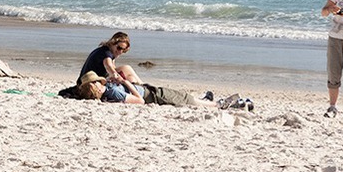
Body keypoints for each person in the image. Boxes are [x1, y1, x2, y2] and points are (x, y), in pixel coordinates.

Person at [76, 71, 233, 108]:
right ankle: (218, 105)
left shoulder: (108, 91)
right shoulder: (113, 92)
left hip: (151, 91)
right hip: (153, 96)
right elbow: (140, 100)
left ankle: (206, 101)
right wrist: (125, 82)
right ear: (95, 85)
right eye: (98, 81)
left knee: (183, 96)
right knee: (185, 99)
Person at [77, 31, 143, 85]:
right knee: (127, 68)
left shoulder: (106, 51)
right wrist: (117, 77)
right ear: (112, 43)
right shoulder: (106, 53)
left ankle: (140, 89)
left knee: (130, 78)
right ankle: (143, 86)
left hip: (87, 82)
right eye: (119, 48)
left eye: (123, 50)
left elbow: (113, 68)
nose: (120, 52)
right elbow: (108, 66)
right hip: (88, 83)